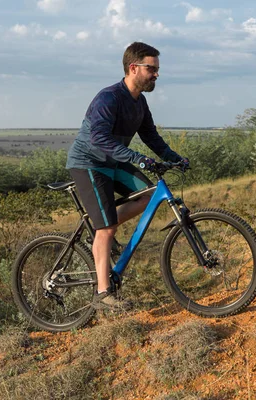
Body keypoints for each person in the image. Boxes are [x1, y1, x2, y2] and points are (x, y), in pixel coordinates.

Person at [66, 42, 188, 311]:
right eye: (151, 69)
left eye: (157, 69)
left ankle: (100, 231)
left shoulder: (139, 102)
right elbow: (98, 138)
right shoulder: (109, 98)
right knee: (108, 228)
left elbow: (151, 137)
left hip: (114, 162)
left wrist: (173, 157)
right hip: (89, 163)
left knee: (149, 196)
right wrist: (136, 157)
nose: (156, 74)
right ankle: (103, 294)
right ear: (133, 68)